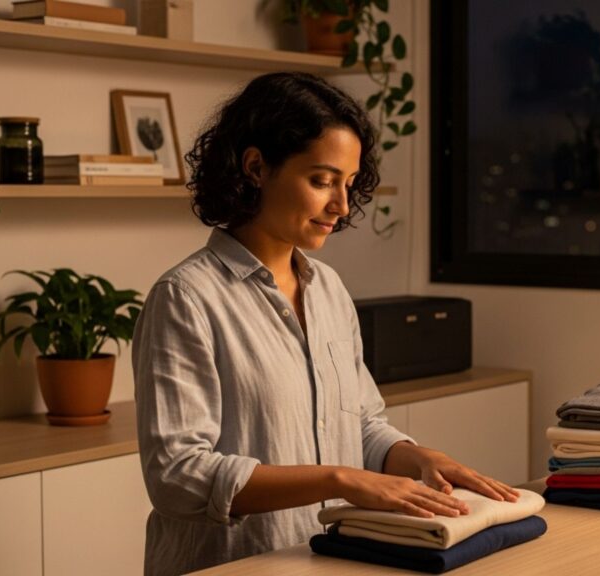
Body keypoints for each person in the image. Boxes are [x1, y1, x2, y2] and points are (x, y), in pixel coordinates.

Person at [132, 72, 519, 576]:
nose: (341, 206)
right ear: (255, 167)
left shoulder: (329, 289)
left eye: (348, 184)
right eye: (322, 181)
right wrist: (339, 480)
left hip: (327, 562)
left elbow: (359, 426)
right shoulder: (185, 298)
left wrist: (417, 457)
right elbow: (177, 476)